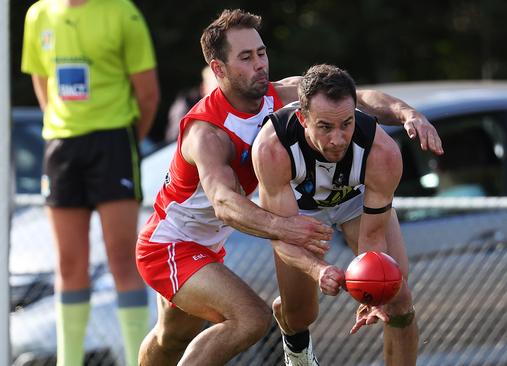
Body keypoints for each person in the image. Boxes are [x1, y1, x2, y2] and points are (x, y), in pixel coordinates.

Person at [135, 9, 441, 366]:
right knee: (250, 319)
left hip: (208, 245)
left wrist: (407, 114)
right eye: (246, 58)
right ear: (218, 70)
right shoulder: (207, 132)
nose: (260, 65)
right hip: (171, 245)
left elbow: (359, 99)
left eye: (261, 53)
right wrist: (284, 227)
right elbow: (223, 203)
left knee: (170, 338)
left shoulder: (282, 95)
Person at [20, 0, 159, 365]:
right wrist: (62, 127)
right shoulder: (38, 14)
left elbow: (147, 94)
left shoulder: (121, 12)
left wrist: (124, 140)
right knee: (68, 264)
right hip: (63, 147)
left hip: (113, 141)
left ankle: (136, 360)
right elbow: (40, 79)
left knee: (122, 262)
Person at [252, 64, 418, 365]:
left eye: (346, 124)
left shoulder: (382, 151)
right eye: (325, 127)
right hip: (299, 213)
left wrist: (374, 289)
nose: (338, 139)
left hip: (355, 202)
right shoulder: (272, 147)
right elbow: (280, 234)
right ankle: (290, 324)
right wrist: (319, 271)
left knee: (398, 298)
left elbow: (374, 235)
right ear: (303, 119)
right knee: (301, 314)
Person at [164, 66, 219, 142]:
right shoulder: (185, 106)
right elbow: (175, 141)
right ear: (203, 89)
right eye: (216, 90)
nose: (222, 96)